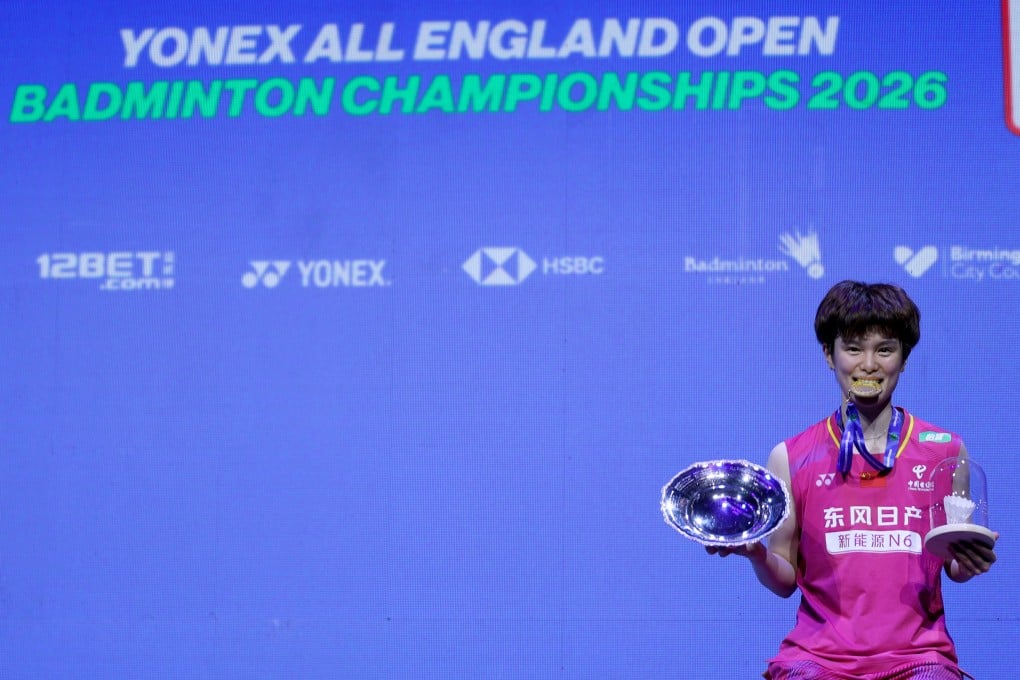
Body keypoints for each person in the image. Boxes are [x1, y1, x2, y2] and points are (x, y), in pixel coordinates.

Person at [707, 281, 997, 680]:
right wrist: (755, 553)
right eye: (854, 348)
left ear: (904, 358)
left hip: (919, 660)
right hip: (817, 660)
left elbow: (955, 566)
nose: (869, 364)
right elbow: (785, 580)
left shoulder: (945, 452)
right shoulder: (790, 457)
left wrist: (969, 560)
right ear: (829, 355)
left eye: (885, 349)